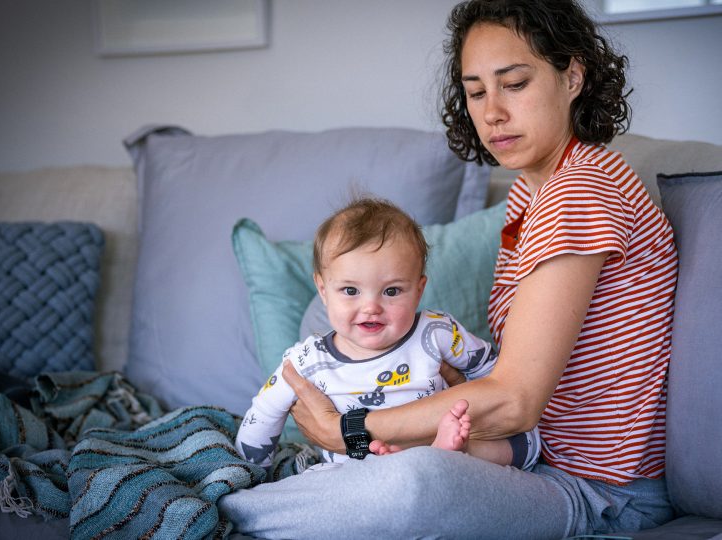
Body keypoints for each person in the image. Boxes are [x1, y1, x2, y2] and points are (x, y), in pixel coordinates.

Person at [220, 1, 678, 537]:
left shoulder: (579, 190)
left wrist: (348, 431)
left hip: (598, 492)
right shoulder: (529, 197)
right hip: (528, 461)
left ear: (572, 75)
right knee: (406, 469)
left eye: (514, 83)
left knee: (417, 483)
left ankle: (226, 516)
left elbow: (514, 401)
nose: (492, 113)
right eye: (477, 91)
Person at [234, 197, 540, 471]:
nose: (371, 307)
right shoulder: (306, 360)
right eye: (350, 290)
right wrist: (250, 470)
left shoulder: (436, 332)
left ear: (419, 290)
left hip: (436, 451)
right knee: (321, 478)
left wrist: (466, 412)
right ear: (323, 290)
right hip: (352, 473)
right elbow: (264, 412)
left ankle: (450, 454)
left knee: (524, 445)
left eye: (392, 291)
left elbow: (497, 376)